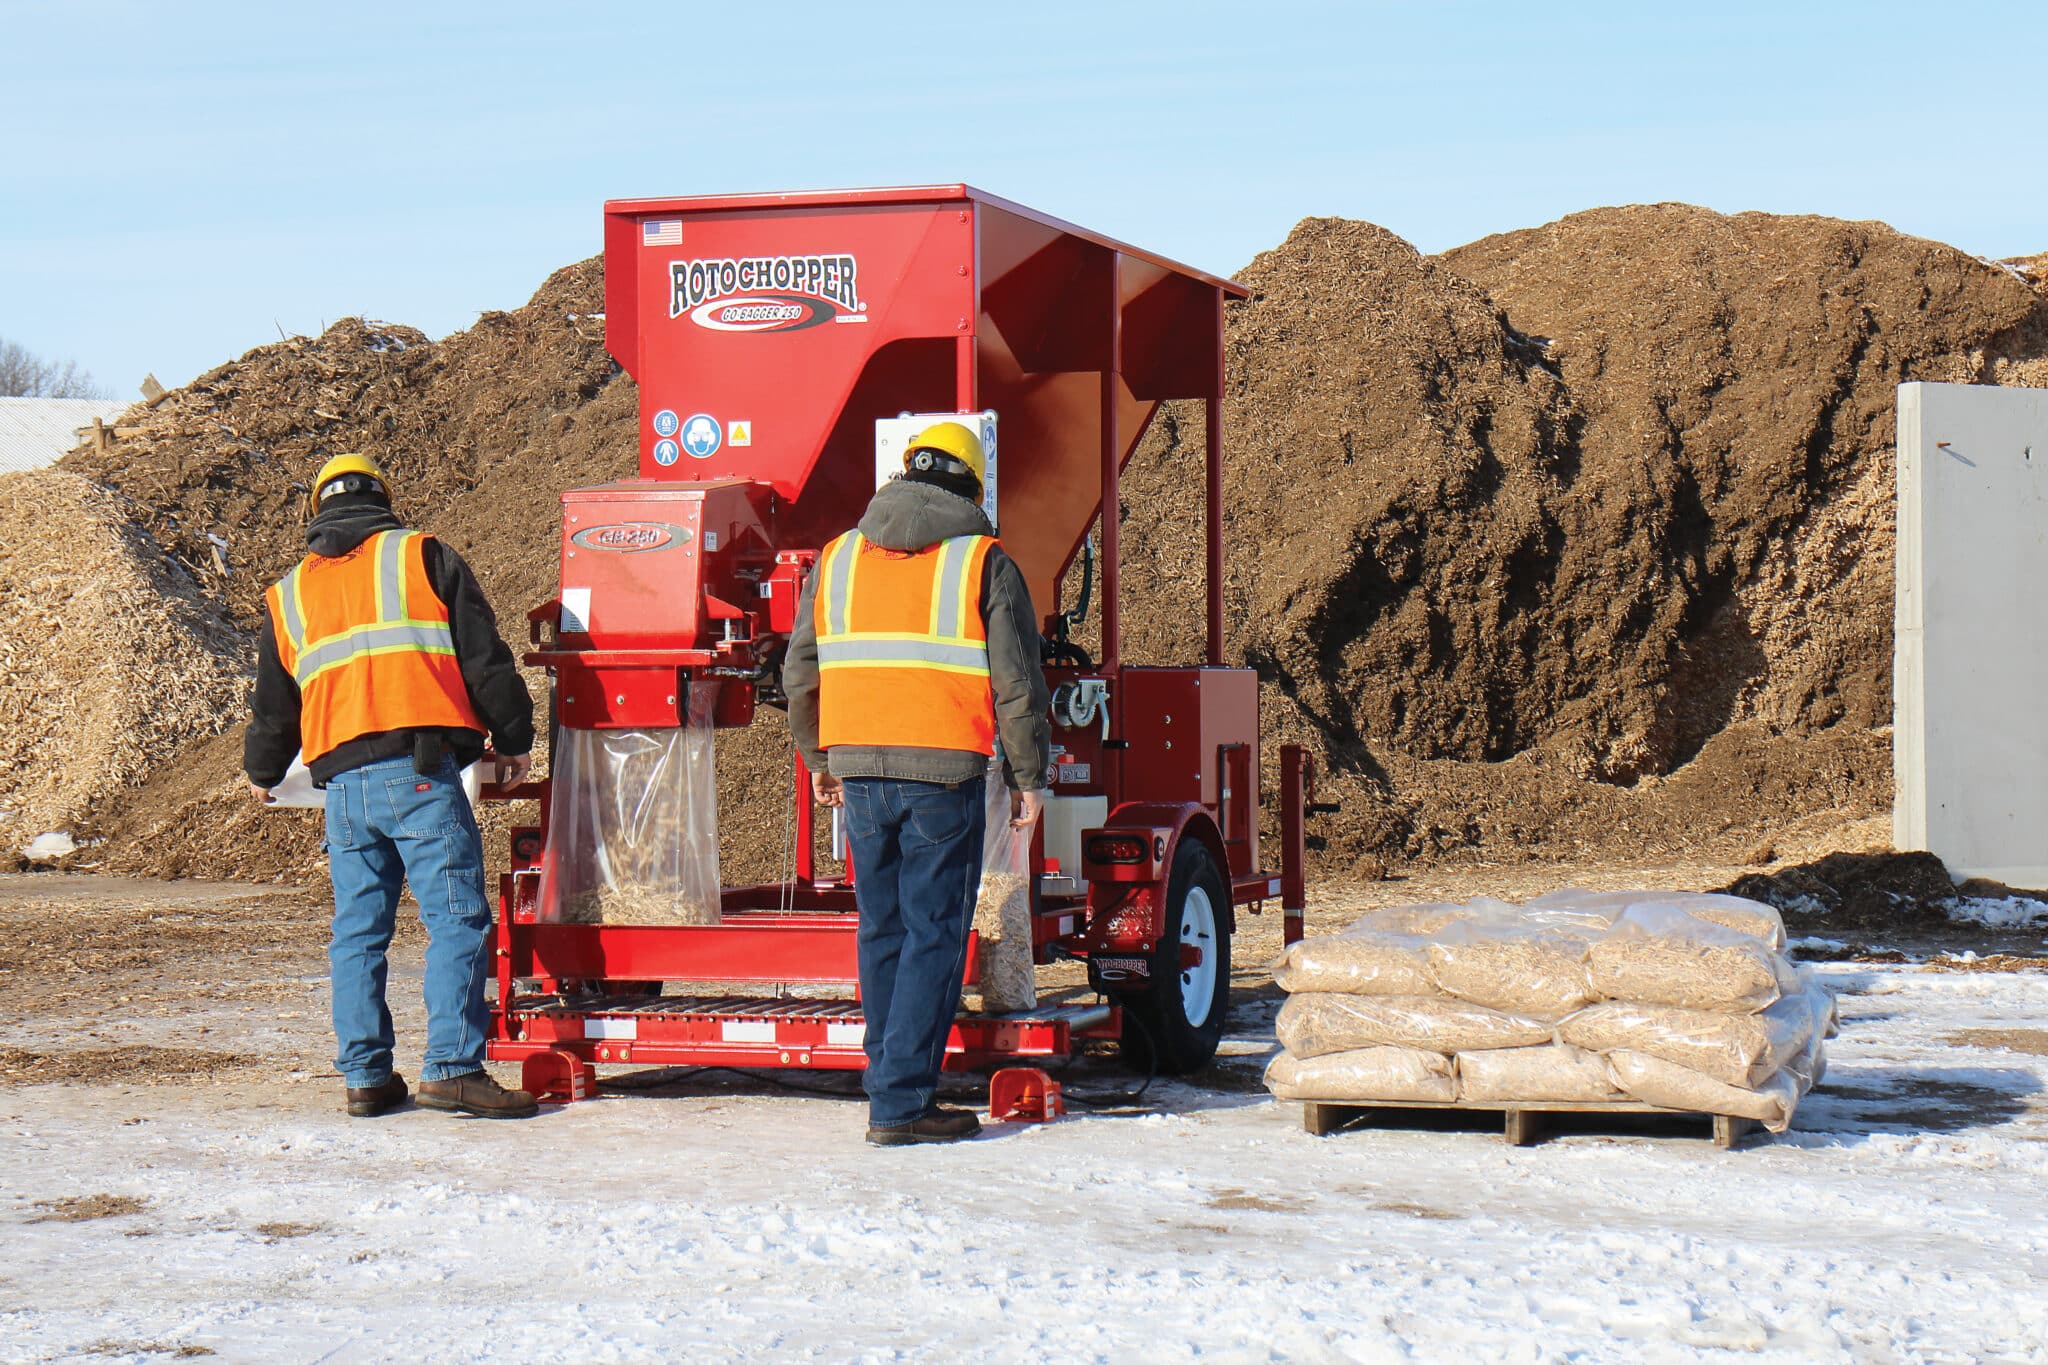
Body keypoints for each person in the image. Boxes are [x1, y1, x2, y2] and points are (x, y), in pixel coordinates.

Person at [245, 453, 540, 1120]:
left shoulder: (290, 593)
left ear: (315, 510)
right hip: (419, 774)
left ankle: (366, 1077)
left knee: (358, 933)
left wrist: (264, 772)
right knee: (457, 920)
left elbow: (274, 707)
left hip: (343, 789)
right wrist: (515, 736)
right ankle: (454, 1067)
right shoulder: (421, 556)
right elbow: (484, 658)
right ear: (383, 498)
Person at [783, 420, 1052, 1146]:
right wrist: (1030, 777)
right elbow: (1018, 684)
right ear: (972, 485)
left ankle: (889, 1080)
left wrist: (819, 757)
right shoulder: (983, 562)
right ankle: (901, 1101)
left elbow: (798, 671)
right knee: (934, 932)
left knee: (884, 929)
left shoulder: (838, 558)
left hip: (860, 773)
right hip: (944, 774)